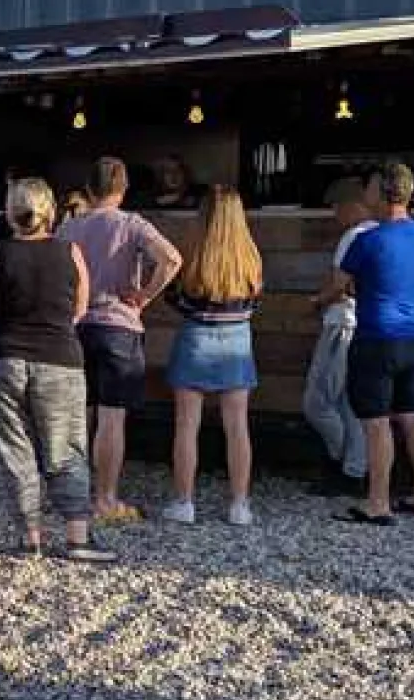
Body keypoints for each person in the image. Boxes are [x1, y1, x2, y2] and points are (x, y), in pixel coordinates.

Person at [0, 177, 113, 563]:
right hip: (59, 360)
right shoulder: (71, 252)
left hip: (0, 359)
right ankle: (77, 538)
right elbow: (79, 311)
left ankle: (30, 538)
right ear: (51, 212)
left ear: (9, 213)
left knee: (14, 453)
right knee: (66, 449)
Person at [56, 157, 183, 525]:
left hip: (77, 328)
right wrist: (145, 294)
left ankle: (72, 496)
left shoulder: (69, 229)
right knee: (112, 419)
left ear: (89, 189)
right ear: (123, 189)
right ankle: (105, 500)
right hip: (119, 328)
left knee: (78, 417)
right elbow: (172, 259)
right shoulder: (131, 224)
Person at [332, 162, 414, 526]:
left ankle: (378, 502)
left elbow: (338, 285)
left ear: (381, 192)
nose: (366, 194)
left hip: (375, 337)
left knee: (376, 423)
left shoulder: (368, 239)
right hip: (413, 338)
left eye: (370, 188)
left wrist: (327, 297)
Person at [160, 186, 264, 526]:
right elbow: (255, 300)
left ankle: (184, 503)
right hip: (237, 343)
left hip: (195, 340)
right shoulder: (251, 256)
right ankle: (239, 506)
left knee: (186, 426)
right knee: (237, 427)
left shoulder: (192, 253)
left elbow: (176, 298)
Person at [304, 178, 378, 491]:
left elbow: (339, 285)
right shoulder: (381, 233)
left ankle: (338, 459)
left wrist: (316, 301)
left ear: (351, 205)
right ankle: (355, 471)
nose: (335, 214)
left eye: (336, 207)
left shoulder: (354, 235)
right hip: (365, 325)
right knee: (350, 404)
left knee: (317, 402)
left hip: (341, 324)